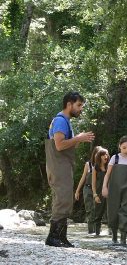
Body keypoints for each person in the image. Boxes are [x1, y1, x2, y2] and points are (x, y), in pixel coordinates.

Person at [45, 91, 95, 248]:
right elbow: (59, 145)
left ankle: (61, 237)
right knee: (62, 199)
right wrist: (79, 138)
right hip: (59, 166)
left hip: (62, 166)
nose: (81, 109)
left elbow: (66, 143)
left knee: (64, 199)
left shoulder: (64, 121)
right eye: (79, 105)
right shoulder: (60, 121)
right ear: (69, 104)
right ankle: (53, 237)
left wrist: (78, 138)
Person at [74, 146, 102, 235]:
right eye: (97, 154)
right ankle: (91, 232)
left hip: (99, 191)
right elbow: (83, 178)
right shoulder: (88, 164)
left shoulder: (103, 165)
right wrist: (77, 191)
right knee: (89, 210)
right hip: (88, 189)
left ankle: (98, 232)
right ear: (94, 154)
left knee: (98, 211)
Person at [91, 147, 109, 237]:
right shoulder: (95, 168)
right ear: (99, 157)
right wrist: (95, 195)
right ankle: (97, 234)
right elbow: (93, 184)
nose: (105, 156)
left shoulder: (110, 167)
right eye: (103, 155)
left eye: (106, 154)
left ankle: (112, 234)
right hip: (99, 193)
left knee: (111, 214)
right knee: (98, 215)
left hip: (110, 193)